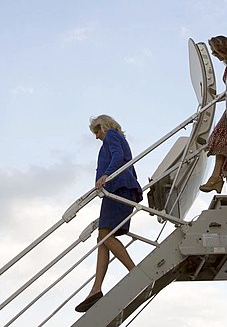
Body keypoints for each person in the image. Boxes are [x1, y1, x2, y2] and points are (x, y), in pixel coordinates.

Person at [75, 114, 144, 313]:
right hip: (115, 189)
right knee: (103, 237)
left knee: (105, 235)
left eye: (97, 131)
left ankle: (135, 272)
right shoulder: (114, 138)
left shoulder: (112, 135)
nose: (96, 136)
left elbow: (118, 157)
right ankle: (95, 289)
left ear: (104, 126)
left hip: (119, 188)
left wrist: (106, 175)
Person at [199, 35, 227, 194]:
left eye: (216, 52)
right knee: (222, 138)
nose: (216, 56)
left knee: (220, 136)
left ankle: (216, 178)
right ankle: (216, 178)